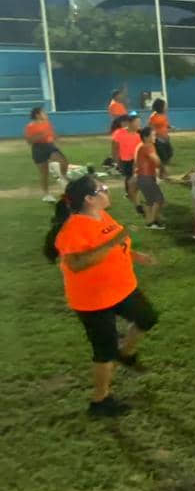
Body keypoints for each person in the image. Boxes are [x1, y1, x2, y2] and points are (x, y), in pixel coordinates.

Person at [45, 175, 158, 416]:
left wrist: (137, 256)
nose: (107, 191)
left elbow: (117, 244)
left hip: (122, 289)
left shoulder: (101, 215)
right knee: (104, 352)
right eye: (102, 189)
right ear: (89, 199)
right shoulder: (73, 228)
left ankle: (125, 354)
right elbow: (76, 264)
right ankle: (100, 401)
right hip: (94, 300)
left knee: (147, 318)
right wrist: (113, 242)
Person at [25, 107, 68, 202]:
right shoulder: (30, 126)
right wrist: (41, 136)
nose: (46, 114)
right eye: (43, 112)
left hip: (49, 146)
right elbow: (29, 141)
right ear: (37, 115)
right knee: (44, 173)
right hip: (38, 149)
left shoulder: (47, 123)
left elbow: (52, 133)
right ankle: (46, 194)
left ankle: (62, 178)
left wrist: (56, 138)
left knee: (63, 161)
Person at [133, 127, 166, 229]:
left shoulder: (143, 146)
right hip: (146, 178)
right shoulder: (148, 146)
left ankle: (150, 221)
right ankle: (152, 222)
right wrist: (163, 170)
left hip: (143, 177)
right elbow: (156, 160)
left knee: (150, 201)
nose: (155, 137)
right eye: (153, 135)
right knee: (159, 200)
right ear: (146, 137)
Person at [111, 113, 142, 212]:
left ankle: (130, 194)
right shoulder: (119, 133)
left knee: (131, 177)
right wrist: (116, 160)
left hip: (135, 160)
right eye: (136, 122)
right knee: (129, 177)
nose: (138, 124)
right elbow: (114, 148)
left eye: (139, 122)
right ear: (129, 123)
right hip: (124, 160)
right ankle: (133, 198)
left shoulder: (138, 135)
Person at [146, 98, 173, 176]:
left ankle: (163, 168)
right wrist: (153, 137)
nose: (166, 107)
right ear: (160, 107)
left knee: (170, 153)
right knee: (162, 155)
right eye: (165, 106)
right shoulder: (153, 116)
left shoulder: (164, 116)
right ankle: (161, 170)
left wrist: (170, 127)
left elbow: (166, 124)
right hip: (158, 140)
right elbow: (151, 127)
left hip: (166, 138)